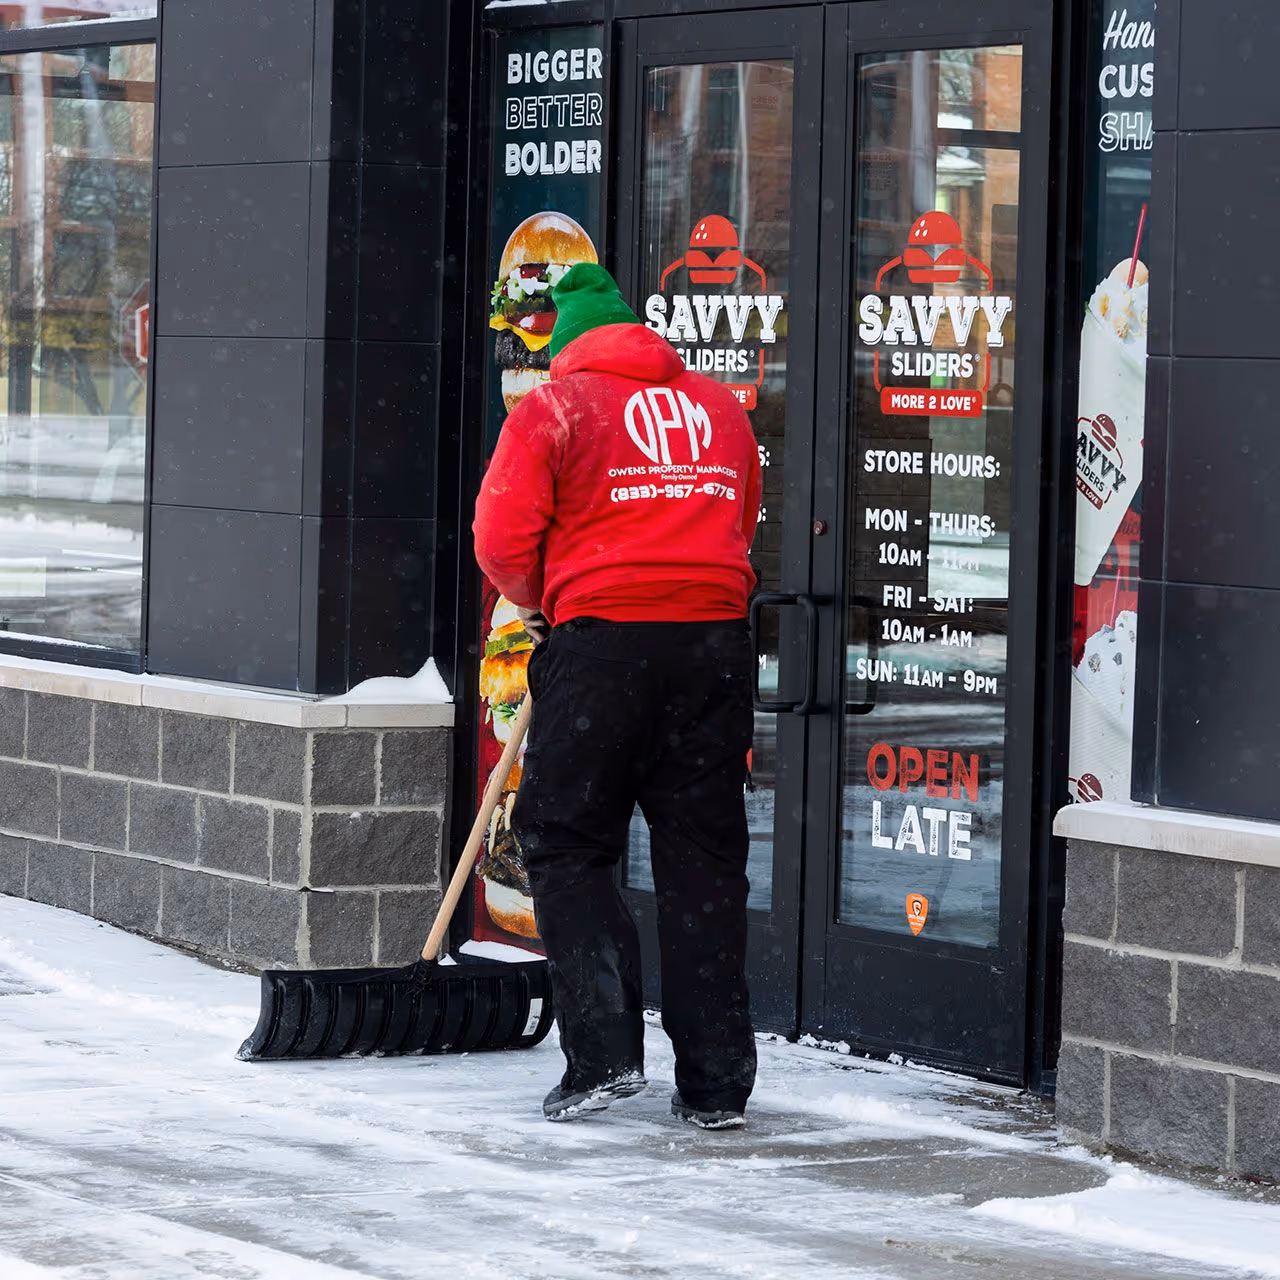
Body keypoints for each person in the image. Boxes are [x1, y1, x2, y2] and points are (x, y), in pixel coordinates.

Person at [473, 263, 762, 1129]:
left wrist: (545, 600)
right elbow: (740, 518)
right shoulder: (719, 409)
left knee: (565, 838)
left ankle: (602, 1055)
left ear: (566, 348)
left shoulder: (554, 410)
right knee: (703, 859)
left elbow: (500, 539)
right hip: (714, 647)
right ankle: (716, 1085)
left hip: (603, 642)